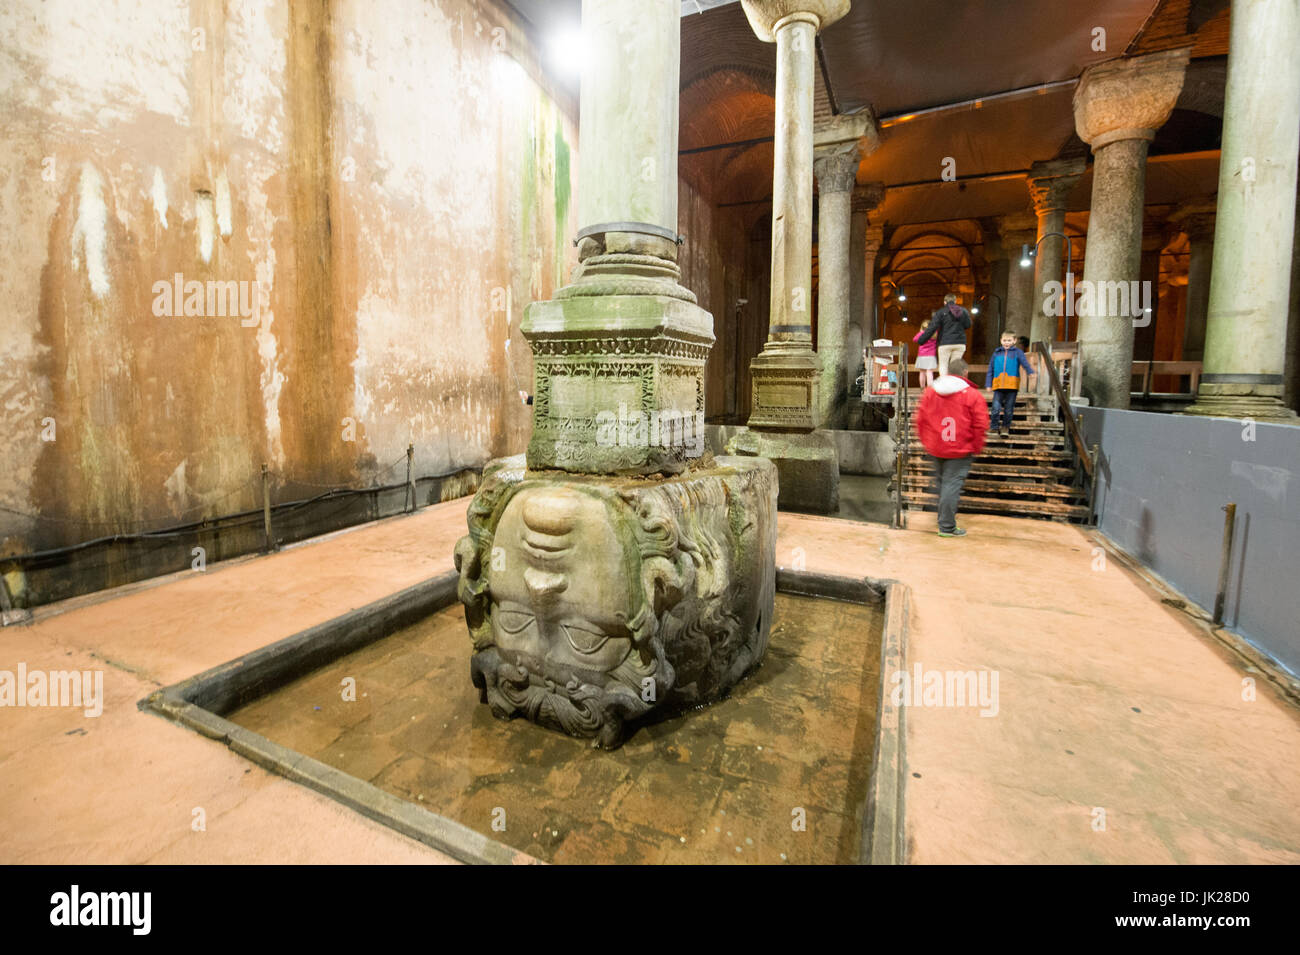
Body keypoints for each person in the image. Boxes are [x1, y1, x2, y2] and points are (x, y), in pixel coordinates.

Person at [915, 357, 988, 538]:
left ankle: (942, 518)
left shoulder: (931, 392)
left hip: (936, 446)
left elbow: (920, 419)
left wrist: (926, 442)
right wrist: (976, 446)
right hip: (960, 448)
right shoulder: (972, 395)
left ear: (946, 372)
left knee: (942, 484)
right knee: (951, 486)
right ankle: (947, 526)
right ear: (965, 373)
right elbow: (980, 423)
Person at [985, 331, 1037, 437]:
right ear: (1001, 341)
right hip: (998, 385)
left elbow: (1024, 363)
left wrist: (1030, 372)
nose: (1006, 343)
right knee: (995, 408)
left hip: (1012, 385)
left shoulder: (1018, 352)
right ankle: (994, 427)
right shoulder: (996, 353)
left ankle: (1005, 428)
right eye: (1004, 340)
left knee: (1009, 409)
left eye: (1009, 340)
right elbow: (991, 368)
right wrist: (988, 384)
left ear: (1014, 341)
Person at [914, 292, 971, 375]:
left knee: (943, 365)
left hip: (945, 343)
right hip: (960, 343)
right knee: (955, 366)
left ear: (945, 302)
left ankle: (944, 385)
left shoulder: (941, 312)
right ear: (955, 301)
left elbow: (932, 328)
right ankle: (953, 386)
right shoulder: (963, 311)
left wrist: (921, 340)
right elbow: (968, 325)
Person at [912, 318, 939, 388]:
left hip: (922, 355)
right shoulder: (935, 333)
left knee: (922, 372)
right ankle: (930, 389)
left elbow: (914, 339)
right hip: (931, 355)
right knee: (929, 372)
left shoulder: (922, 333)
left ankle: (922, 388)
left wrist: (921, 332)